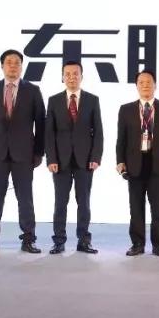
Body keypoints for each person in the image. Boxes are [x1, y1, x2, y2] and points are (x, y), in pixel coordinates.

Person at [0, 50, 46, 254]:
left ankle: (29, 240)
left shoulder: (32, 90)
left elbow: (41, 123)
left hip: (24, 154)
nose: (13, 66)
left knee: (25, 198)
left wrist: (39, 152)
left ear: (22, 66)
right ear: (2, 66)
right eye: (9, 62)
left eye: (17, 62)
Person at [45, 61, 103, 255]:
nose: (71, 77)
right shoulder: (53, 100)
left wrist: (96, 157)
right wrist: (51, 158)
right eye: (67, 74)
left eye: (75, 73)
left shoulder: (92, 100)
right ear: (62, 77)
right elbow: (49, 133)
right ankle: (58, 241)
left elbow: (99, 131)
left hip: (85, 160)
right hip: (60, 161)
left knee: (83, 202)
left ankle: (84, 241)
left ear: (81, 76)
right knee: (60, 202)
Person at [116, 70, 159, 257]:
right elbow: (121, 138)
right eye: (141, 82)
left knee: (158, 207)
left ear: (155, 85)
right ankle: (137, 244)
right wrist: (120, 161)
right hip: (134, 164)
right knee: (136, 207)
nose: (145, 85)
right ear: (136, 86)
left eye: (149, 82)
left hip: (158, 163)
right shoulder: (126, 109)